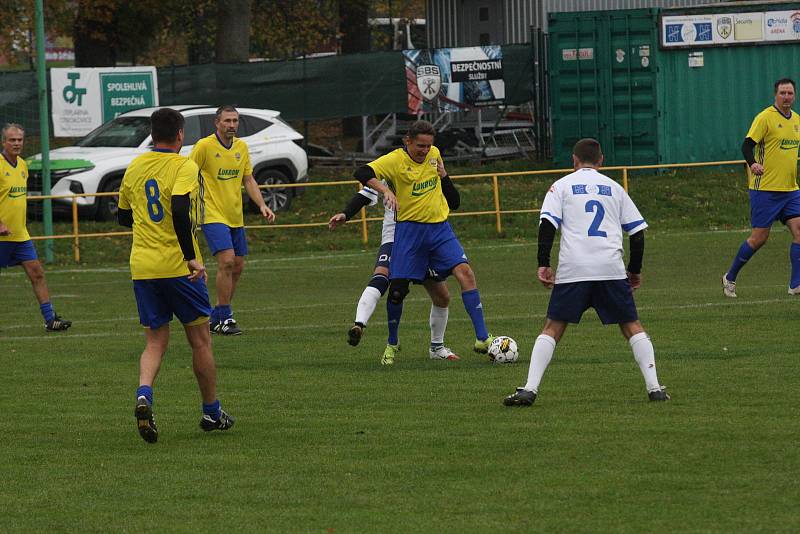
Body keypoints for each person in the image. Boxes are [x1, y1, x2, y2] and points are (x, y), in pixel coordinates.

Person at [503, 138, 669, 407]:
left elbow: (547, 224)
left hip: (574, 268)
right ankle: (655, 388)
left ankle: (529, 389)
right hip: (609, 268)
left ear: (574, 160)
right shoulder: (615, 188)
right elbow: (637, 232)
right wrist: (634, 270)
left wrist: (543, 262)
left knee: (553, 328)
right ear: (601, 160)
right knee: (631, 326)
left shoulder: (561, 187)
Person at [118, 108, 234, 443]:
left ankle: (144, 394)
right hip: (179, 268)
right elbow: (180, 210)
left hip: (143, 266)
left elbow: (123, 217)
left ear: (153, 135)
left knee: (155, 341)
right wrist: (191, 258)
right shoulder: (184, 165)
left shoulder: (135, 166)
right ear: (180, 135)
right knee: (200, 340)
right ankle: (212, 412)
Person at [354, 120, 493, 364]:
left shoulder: (435, 154)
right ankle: (392, 344)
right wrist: (385, 191)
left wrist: (445, 175)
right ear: (408, 141)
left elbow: (453, 199)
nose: (425, 150)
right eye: (420, 145)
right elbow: (362, 173)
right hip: (409, 232)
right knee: (396, 291)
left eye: (429, 145)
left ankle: (482, 337)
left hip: (440, 230)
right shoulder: (394, 160)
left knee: (466, 273)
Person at [328, 183, 459, 363]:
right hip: (395, 239)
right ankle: (361, 326)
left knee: (442, 297)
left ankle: (437, 348)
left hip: (424, 240)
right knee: (386, 281)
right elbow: (365, 194)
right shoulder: (390, 168)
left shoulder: (427, 167)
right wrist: (346, 213)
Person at [189, 105, 275, 335]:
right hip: (212, 214)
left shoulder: (242, 147)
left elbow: (248, 179)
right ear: (216, 123)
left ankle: (217, 316)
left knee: (237, 265)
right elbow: (187, 173)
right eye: (227, 121)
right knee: (226, 261)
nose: (232, 125)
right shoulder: (204, 146)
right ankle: (226, 317)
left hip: (235, 216)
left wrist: (262, 205)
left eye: (235, 121)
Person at [723, 78, 800, 297]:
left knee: (799, 231)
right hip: (765, 189)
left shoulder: (797, 120)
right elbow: (747, 145)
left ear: (794, 96)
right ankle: (730, 277)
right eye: (783, 93)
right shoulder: (765, 118)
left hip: (791, 190)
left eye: (790, 93)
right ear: (775, 95)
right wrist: (753, 163)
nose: (787, 97)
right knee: (759, 238)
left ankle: (795, 284)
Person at [0, 123, 71, 332]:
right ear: (4, 142)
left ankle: (50, 320)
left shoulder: (22, 165)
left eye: (19, 139)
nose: (16, 143)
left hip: (19, 234)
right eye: (12, 140)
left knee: (37, 273)